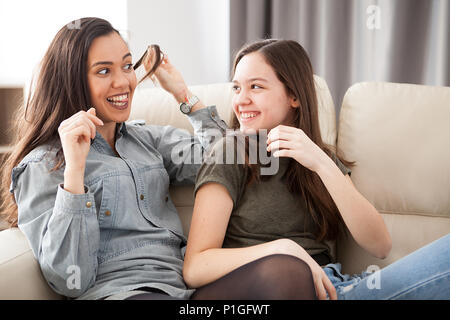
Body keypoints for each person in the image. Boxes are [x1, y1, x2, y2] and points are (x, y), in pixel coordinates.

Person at [183, 39, 450, 300]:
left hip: (339, 288)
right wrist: (284, 249)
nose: (241, 100)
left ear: (294, 96)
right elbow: (196, 266)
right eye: (237, 88)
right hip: (275, 287)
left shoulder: (319, 159)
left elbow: (379, 246)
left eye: (255, 87)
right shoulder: (230, 152)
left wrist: (321, 162)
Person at [0, 17, 232, 300]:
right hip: (122, 293)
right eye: (103, 71)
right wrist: (75, 172)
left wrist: (183, 94)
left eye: (126, 66)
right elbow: (71, 280)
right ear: (72, 80)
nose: (123, 82)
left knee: (283, 269)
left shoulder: (147, 140)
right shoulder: (43, 165)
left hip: (184, 289)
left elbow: (227, 163)